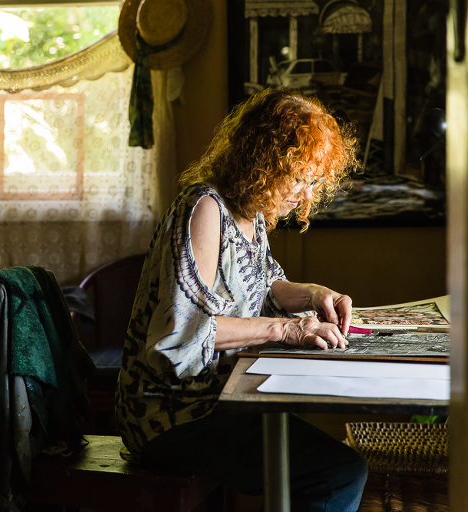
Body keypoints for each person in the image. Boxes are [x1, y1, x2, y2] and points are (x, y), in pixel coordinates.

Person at [115, 88, 368, 511]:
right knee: (339, 471)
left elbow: (265, 284)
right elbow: (183, 333)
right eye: (298, 176)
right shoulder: (204, 208)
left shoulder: (249, 211)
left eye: (312, 181)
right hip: (169, 414)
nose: (305, 194)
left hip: (215, 398)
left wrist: (315, 294)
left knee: (309, 438)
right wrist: (289, 328)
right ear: (265, 162)